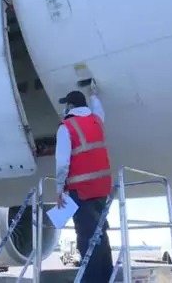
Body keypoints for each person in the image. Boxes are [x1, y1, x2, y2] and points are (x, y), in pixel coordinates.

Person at [55, 84, 113, 283]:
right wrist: (94, 95)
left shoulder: (66, 127)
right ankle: (107, 276)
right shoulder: (96, 121)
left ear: (70, 106)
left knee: (86, 237)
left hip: (81, 191)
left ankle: (92, 280)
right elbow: (99, 110)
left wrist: (59, 189)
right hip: (102, 189)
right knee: (100, 234)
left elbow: (62, 163)